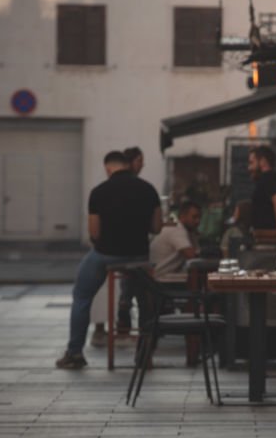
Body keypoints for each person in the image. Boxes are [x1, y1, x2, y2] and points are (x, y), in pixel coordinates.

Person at [56, 151, 161, 369]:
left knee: (82, 295)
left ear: (108, 168)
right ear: (128, 165)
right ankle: (144, 355)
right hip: (139, 255)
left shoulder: (98, 192)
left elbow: (94, 233)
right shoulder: (148, 189)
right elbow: (156, 227)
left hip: (105, 254)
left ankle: (74, 353)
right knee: (144, 302)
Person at [149, 200, 202, 276]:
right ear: (183, 216)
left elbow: (197, 253)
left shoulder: (189, 231)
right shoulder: (177, 229)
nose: (198, 221)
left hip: (165, 274)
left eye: (200, 217)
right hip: (160, 277)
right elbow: (192, 256)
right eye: (194, 217)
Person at [248, 146, 276, 230]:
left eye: (251, 163)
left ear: (262, 161)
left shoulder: (268, 178)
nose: (249, 168)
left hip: (269, 239)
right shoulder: (268, 179)